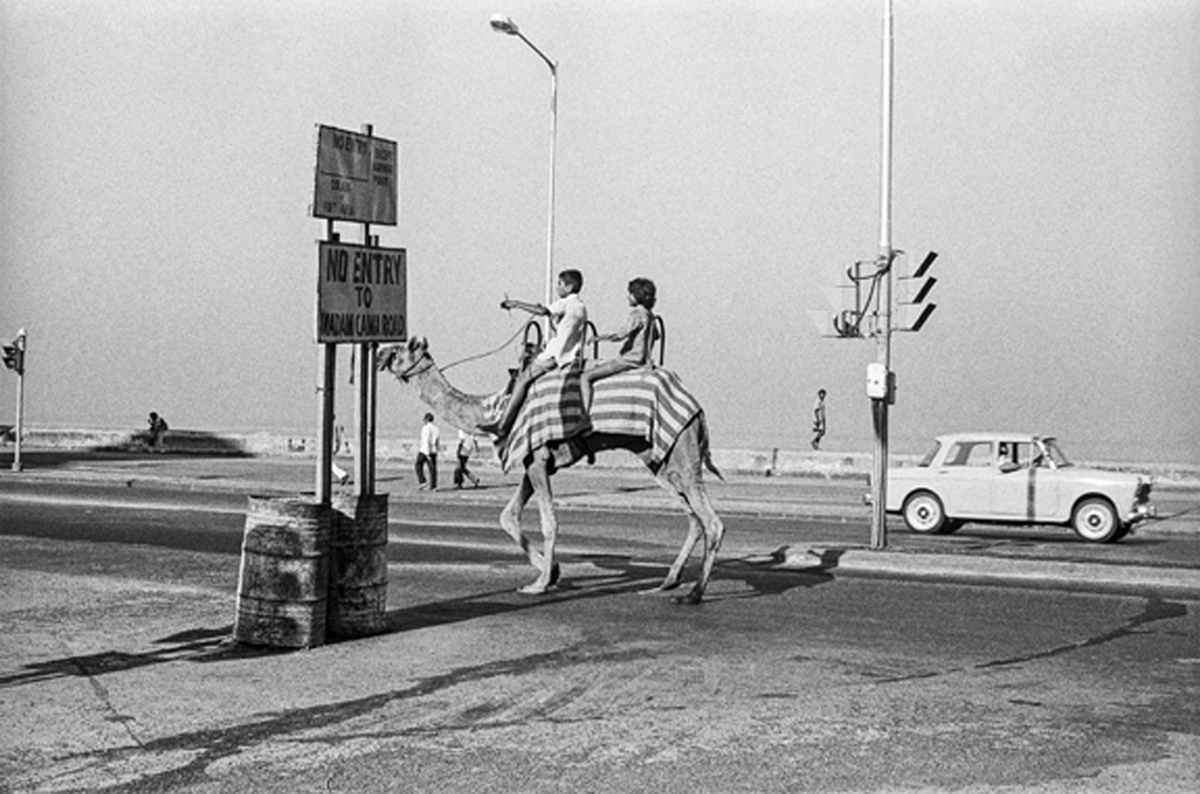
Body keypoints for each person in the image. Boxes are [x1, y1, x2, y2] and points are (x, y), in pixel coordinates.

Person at [477, 269, 588, 439]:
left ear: (569, 286)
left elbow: (543, 311)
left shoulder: (565, 303)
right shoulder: (581, 307)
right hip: (570, 354)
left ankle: (503, 424)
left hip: (554, 355)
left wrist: (516, 304)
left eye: (560, 284)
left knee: (522, 380)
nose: (557, 288)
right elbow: (564, 330)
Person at [580, 277, 657, 411]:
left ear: (637, 295)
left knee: (585, 377)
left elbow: (619, 336)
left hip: (629, 360)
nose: (628, 297)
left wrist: (598, 338)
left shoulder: (636, 314)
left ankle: (584, 415)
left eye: (630, 294)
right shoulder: (650, 316)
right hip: (642, 359)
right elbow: (656, 336)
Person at [416, 412, 440, 491]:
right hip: (433, 451)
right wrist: (437, 450)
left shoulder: (425, 428)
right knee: (432, 469)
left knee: (418, 464)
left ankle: (422, 481)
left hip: (425, 450)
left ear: (426, 419)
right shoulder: (436, 428)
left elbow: (426, 440)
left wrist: (427, 453)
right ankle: (433, 486)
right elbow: (437, 441)